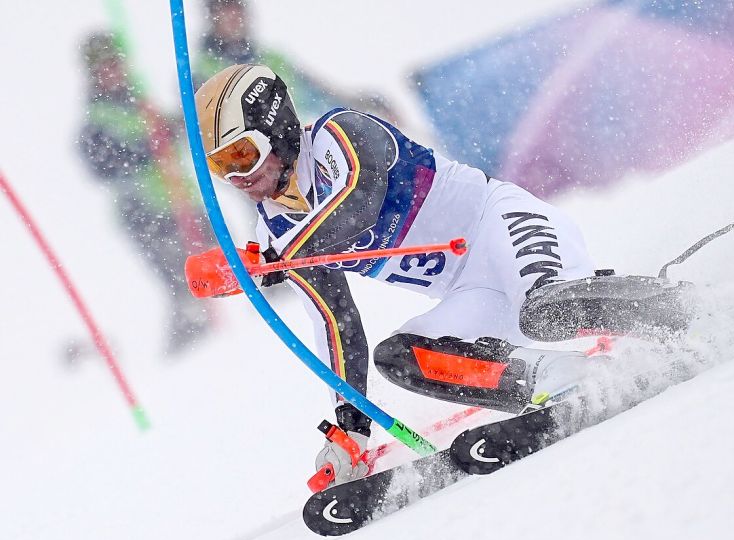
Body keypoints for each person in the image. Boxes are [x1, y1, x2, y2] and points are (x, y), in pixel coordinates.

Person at [189, 64, 682, 488]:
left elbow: (358, 201)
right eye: (219, 166)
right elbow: (336, 323)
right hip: (473, 292)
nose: (236, 178)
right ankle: (559, 378)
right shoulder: (279, 230)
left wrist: (277, 259)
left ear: (277, 128)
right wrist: (351, 426)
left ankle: (680, 307)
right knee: (401, 358)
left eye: (242, 155)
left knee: (545, 311)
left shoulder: (340, 135)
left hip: (503, 228)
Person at [77, 32, 212, 355]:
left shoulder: (141, 104)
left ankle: (228, 334)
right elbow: (103, 162)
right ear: (93, 75)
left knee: (228, 264)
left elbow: (175, 131)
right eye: (103, 68)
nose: (111, 72)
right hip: (147, 215)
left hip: (186, 205)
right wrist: (148, 146)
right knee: (185, 284)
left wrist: (183, 121)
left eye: (114, 64)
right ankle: (192, 346)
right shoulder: (97, 120)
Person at [194, 0, 398, 123]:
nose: (233, 17)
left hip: (303, 146)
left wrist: (366, 102)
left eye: (237, 9)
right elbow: (203, 127)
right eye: (225, 11)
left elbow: (320, 93)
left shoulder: (273, 58)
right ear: (213, 18)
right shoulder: (204, 70)